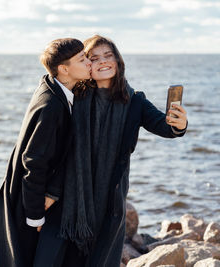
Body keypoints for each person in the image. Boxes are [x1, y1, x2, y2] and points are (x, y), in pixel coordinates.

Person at [55, 35, 188, 266]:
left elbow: (165, 128)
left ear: (118, 60)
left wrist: (180, 124)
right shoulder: (75, 97)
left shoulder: (135, 101)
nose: (103, 62)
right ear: (87, 65)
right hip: (74, 194)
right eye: (94, 58)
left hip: (111, 195)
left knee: (103, 257)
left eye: (108, 55)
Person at [0, 38, 92, 267]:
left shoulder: (54, 88)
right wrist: (35, 217)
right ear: (64, 69)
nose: (89, 62)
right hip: (27, 202)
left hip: (31, 195)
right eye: (82, 59)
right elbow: (33, 161)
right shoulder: (51, 105)